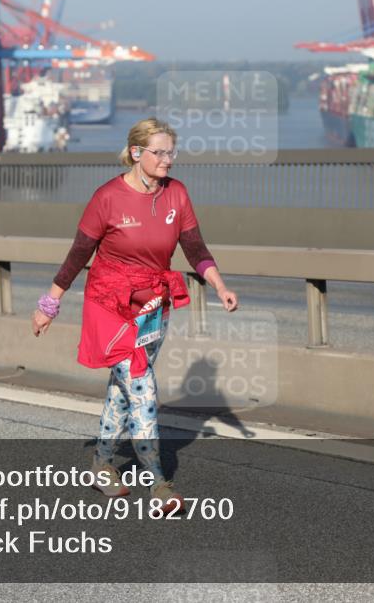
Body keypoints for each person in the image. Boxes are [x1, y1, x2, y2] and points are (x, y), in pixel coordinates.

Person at [31, 117, 238, 513]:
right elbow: (78, 255)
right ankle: (158, 482)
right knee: (142, 387)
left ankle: (102, 464)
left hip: (151, 304)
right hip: (109, 303)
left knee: (122, 389)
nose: (168, 160)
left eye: (171, 152)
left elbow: (195, 249)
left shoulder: (176, 194)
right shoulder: (107, 197)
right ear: (137, 152)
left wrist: (219, 285)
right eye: (160, 152)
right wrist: (49, 304)